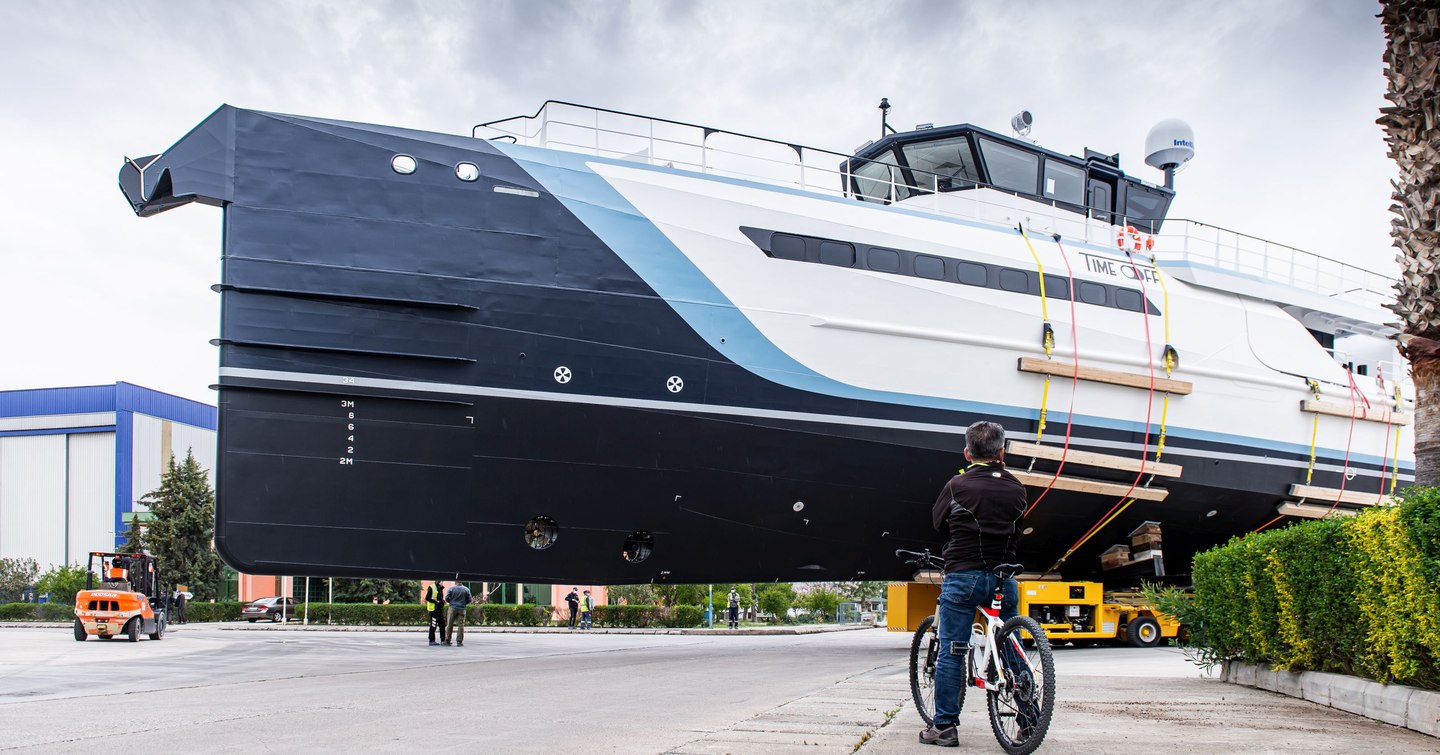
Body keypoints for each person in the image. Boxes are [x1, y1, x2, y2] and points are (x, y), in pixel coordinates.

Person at [919, 421, 1027, 748]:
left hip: (964, 575)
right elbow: (1017, 528)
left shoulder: (957, 485)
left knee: (953, 649)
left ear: (968, 452)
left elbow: (939, 524)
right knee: (1012, 645)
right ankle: (1029, 720)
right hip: (1003, 578)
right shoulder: (1017, 488)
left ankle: (945, 727)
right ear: (1002, 453)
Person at [443, 580, 472, 647]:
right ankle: (459, 641)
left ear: (455, 582)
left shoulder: (451, 588)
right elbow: (470, 599)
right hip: (462, 608)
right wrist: (464, 603)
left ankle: (447, 640)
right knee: (461, 625)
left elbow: (446, 598)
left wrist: (451, 602)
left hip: (452, 608)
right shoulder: (466, 589)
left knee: (449, 624)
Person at [424, 579, 447, 646]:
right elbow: (427, 598)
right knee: (433, 625)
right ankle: (431, 640)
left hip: (439, 609)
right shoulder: (431, 587)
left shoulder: (440, 588)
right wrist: (436, 602)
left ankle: (443, 640)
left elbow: (439, 597)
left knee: (442, 624)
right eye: (442, 581)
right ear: (438, 581)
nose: (442, 582)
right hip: (433, 610)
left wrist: (442, 601)